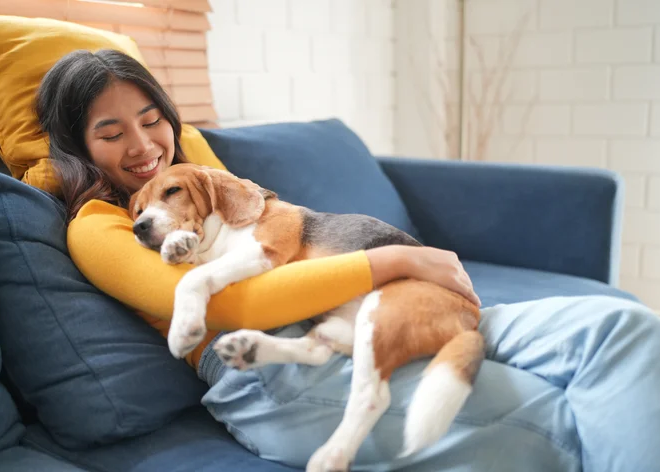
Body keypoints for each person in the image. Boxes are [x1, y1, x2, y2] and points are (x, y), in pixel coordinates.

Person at [38, 49, 660, 472]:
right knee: (565, 416)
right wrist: (394, 263)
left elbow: (274, 226)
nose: (144, 146)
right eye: (111, 133)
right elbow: (238, 300)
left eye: (152, 121)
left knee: (624, 331)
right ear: (79, 146)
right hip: (273, 373)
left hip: (383, 310)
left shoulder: (196, 176)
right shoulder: (98, 228)